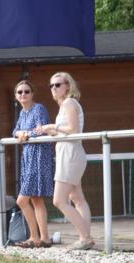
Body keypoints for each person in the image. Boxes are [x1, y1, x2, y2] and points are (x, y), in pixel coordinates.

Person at [36, 72, 93, 250]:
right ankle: (85, 238)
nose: (54, 88)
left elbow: (73, 130)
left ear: (68, 86)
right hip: (69, 152)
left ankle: (85, 237)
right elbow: (65, 131)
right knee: (77, 198)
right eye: (51, 85)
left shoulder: (69, 103)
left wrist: (51, 126)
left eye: (58, 85)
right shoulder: (65, 105)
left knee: (59, 200)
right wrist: (46, 130)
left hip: (70, 154)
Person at [12, 81, 55, 247]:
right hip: (28, 157)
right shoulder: (23, 113)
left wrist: (27, 134)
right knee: (36, 199)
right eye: (20, 92)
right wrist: (21, 133)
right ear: (16, 96)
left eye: (26, 91)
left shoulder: (39, 109)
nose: (23, 94)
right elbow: (15, 131)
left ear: (32, 93)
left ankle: (34, 237)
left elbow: (41, 130)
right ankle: (44, 238)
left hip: (39, 156)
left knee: (22, 201)